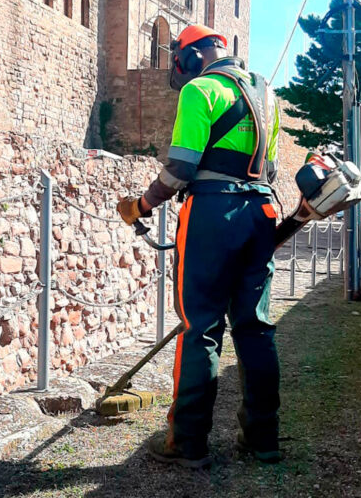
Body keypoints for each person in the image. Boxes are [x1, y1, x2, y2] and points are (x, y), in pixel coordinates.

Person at [116, 24, 284, 468]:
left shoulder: (200, 90)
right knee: (256, 326)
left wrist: (142, 204)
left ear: (193, 56)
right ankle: (263, 439)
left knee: (202, 327)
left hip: (212, 214)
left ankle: (187, 442)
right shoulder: (267, 96)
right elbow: (269, 166)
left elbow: (181, 169)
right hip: (261, 211)